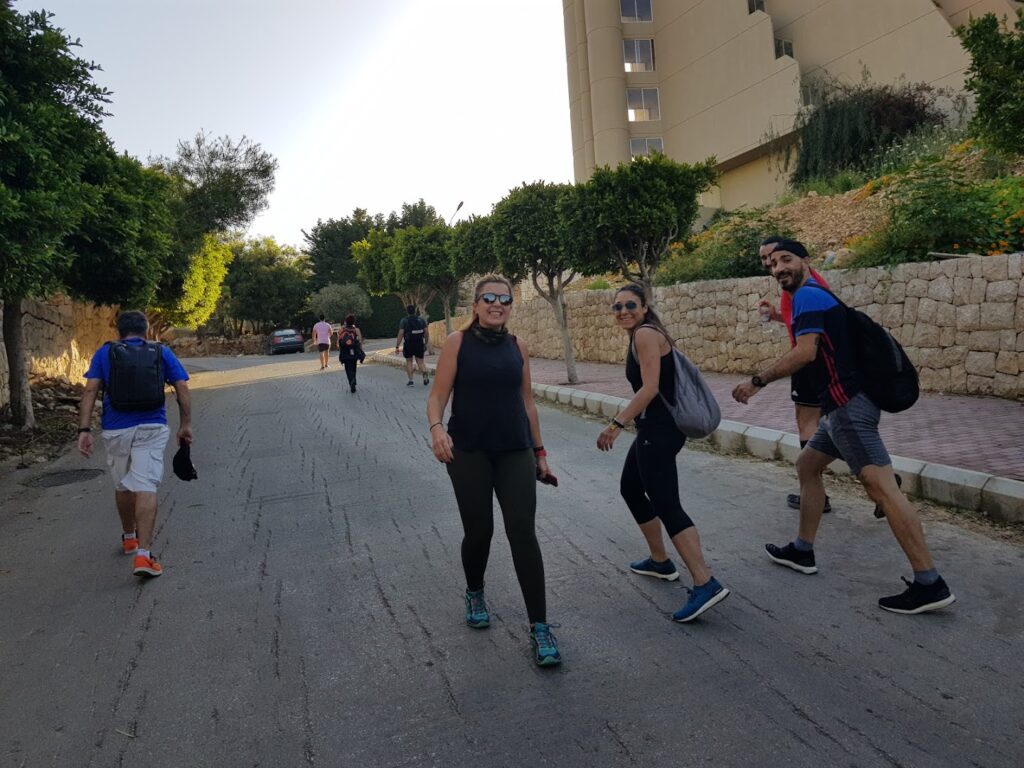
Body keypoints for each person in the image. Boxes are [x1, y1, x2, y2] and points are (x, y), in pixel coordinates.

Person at [732, 240, 955, 614]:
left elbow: (805, 352)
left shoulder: (808, 295)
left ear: (805, 260)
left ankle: (929, 582)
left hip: (848, 408)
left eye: (785, 259)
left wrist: (756, 381)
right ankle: (803, 551)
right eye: (771, 264)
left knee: (881, 488)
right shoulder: (815, 295)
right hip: (840, 408)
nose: (778, 268)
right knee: (807, 465)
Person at [426, 275, 561, 666]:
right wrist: (437, 429)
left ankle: (540, 627)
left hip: (514, 449)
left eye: (505, 299)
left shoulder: (518, 346)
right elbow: (437, 397)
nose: (497, 304)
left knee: (522, 531)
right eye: (489, 298)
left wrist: (539, 452)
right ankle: (474, 590)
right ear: (476, 304)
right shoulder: (458, 343)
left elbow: (528, 402)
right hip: (468, 451)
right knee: (479, 530)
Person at [596, 284, 730, 623]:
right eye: (617, 307)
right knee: (630, 487)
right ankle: (660, 561)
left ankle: (704, 581)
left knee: (667, 504)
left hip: (660, 431)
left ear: (644, 307)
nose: (623, 311)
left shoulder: (644, 334)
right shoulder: (645, 333)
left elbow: (650, 387)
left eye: (630, 305)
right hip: (654, 430)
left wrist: (616, 423)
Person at [76, 310, 192, 579]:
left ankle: (130, 537)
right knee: (146, 484)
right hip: (152, 426)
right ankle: (144, 555)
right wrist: (186, 424)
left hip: (116, 429)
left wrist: (83, 429)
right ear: (146, 329)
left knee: (123, 484)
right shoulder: (161, 352)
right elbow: (182, 387)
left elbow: (90, 390)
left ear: (118, 330)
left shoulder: (105, 353)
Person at [758, 236, 833, 514]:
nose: (770, 264)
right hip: (819, 361)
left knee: (809, 426)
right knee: (835, 428)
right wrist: (778, 316)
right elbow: (802, 321)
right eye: (767, 260)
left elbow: (806, 344)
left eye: (776, 258)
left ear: (802, 259)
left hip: (810, 362)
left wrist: (758, 382)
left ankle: (814, 492)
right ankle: (880, 478)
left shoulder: (805, 288)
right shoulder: (799, 286)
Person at [396, 305, 430, 386]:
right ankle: (424, 373)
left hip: (408, 343)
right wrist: (426, 342)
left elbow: (401, 333)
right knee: (420, 362)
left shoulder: (404, 321)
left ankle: (411, 381)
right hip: (419, 343)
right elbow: (426, 332)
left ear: (407, 311)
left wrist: (397, 346)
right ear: (415, 311)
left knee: (409, 361)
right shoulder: (421, 320)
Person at [337, 314, 364, 393]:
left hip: (345, 352)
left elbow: (339, 341)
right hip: (354, 351)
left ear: (346, 321)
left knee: (347, 368)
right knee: (353, 366)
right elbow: (360, 341)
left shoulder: (342, 330)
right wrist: (361, 350)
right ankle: (353, 379)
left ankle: (351, 381)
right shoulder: (356, 330)